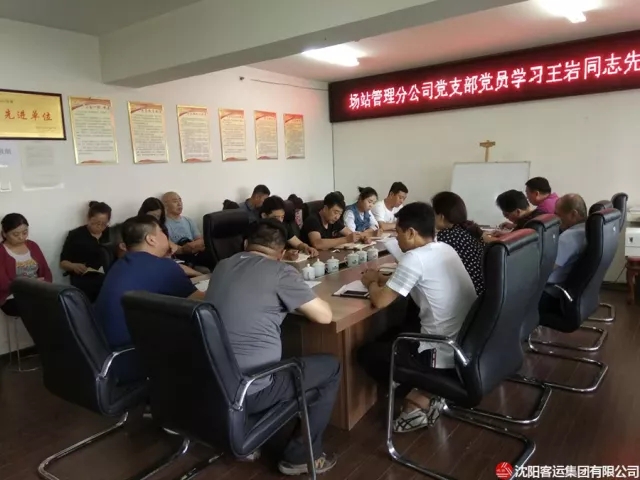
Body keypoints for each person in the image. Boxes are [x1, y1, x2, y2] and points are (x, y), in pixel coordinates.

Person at [205, 219, 339, 475]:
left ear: (246, 243)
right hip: (249, 389)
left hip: (213, 381)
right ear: (281, 253)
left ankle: (245, 426)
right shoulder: (281, 272)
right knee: (331, 367)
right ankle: (300, 457)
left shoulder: (223, 265)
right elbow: (324, 316)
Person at [357, 202, 477, 433]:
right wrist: (382, 280)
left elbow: (380, 301)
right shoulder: (444, 248)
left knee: (367, 354)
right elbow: (414, 280)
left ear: (411, 232)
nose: (397, 238)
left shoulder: (414, 258)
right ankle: (425, 391)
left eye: (398, 233)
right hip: (464, 343)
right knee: (393, 333)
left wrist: (371, 282)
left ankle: (422, 395)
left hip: (439, 351)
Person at [94, 215, 205, 370]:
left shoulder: (119, 265)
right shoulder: (163, 267)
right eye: (162, 232)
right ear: (151, 239)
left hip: (104, 357)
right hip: (133, 359)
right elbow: (202, 302)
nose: (166, 236)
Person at [540, 194, 588, 310]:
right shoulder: (587, 229)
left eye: (558, 214)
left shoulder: (569, 237)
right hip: (568, 290)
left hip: (551, 292)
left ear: (573, 214)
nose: (556, 219)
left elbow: (545, 269)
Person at [432, 192, 485, 295]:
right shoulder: (467, 229)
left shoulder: (446, 237)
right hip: (483, 289)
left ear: (441, 216)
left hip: (470, 293)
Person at [59, 201, 112, 302]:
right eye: (96, 223)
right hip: (83, 282)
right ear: (88, 218)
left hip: (108, 281)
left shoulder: (111, 234)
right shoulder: (76, 235)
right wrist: (73, 266)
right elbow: (63, 262)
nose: (99, 227)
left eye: (104, 224)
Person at [0, 214, 52, 316]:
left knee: (60, 303)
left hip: (37, 290)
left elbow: (46, 271)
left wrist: (43, 284)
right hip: (12, 295)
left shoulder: (33, 245)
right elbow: (3, 283)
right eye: (15, 234)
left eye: (25, 232)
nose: (21, 237)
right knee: (35, 308)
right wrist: (29, 286)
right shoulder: (1, 251)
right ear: (4, 234)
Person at [138, 197, 200, 278]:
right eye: (152, 216)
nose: (155, 219)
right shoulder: (139, 230)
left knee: (200, 273)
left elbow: (175, 248)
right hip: (155, 265)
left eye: (158, 216)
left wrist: (181, 248)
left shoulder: (162, 229)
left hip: (170, 261)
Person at [162, 191, 211, 271]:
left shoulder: (188, 220)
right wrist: (184, 249)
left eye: (180, 200)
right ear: (165, 205)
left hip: (195, 253)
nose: (179, 204)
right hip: (178, 258)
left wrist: (193, 245)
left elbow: (200, 240)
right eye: (175, 201)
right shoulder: (162, 224)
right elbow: (168, 247)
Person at [260, 196, 318, 260]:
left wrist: (306, 248)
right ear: (264, 215)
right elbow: (259, 252)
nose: (280, 221)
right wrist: (284, 254)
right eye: (276, 217)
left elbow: (298, 244)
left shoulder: (284, 226)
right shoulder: (257, 230)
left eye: (282, 217)